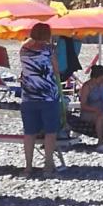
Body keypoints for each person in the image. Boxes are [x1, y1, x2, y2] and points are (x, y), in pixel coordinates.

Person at [18, 22, 61, 177]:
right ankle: (48, 165)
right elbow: (56, 70)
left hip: (28, 97)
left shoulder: (23, 50)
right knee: (50, 132)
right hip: (48, 96)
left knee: (29, 133)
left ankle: (28, 168)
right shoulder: (48, 51)